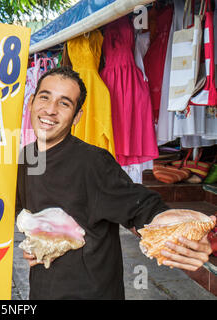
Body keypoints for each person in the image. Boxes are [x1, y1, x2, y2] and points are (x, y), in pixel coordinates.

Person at [15, 66, 215, 300]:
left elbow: (141, 206)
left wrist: (173, 228)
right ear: (31, 102)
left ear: (77, 116)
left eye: (64, 103)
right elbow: (25, 214)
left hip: (91, 293)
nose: (50, 110)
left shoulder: (92, 162)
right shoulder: (25, 159)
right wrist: (35, 243)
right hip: (43, 290)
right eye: (45, 97)